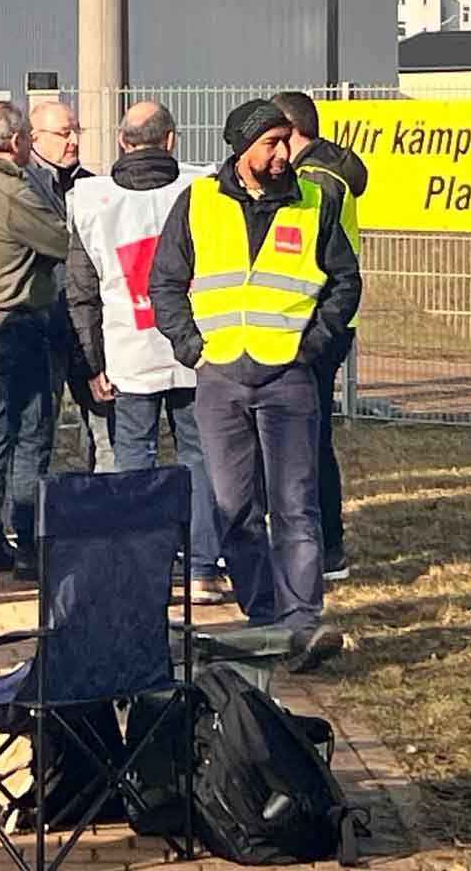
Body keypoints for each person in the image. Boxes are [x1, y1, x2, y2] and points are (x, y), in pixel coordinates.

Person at [149, 100, 360, 672]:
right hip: (219, 379)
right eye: (270, 143)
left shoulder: (316, 200)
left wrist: (312, 345)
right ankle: (264, 616)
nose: (283, 154)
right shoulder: (198, 202)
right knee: (234, 507)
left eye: (286, 142)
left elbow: (345, 281)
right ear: (241, 149)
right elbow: (165, 281)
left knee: (296, 505)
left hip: (289, 377)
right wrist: (191, 348)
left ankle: (300, 623)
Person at [63, 101, 227, 603]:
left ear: (121, 142)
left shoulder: (90, 199)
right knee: (200, 455)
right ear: (172, 141)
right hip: (196, 346)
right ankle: (202, 568)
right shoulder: (203, 188)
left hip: (127, 350)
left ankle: (140, 566)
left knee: (134, 455)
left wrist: (91, 363)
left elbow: (81, 290)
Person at [0, 101, 68, 580]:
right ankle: (27, 543)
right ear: (19, 140)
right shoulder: (12, 193)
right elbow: (63, 241)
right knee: (30, 437)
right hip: (17, 323)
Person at [272, 90, 366, 582]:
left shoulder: (314, 182)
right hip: (326, 321)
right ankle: (324, 544)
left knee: (308, 440)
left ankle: (325, 545)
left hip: (313, 323)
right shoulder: (333, 170)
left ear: (292, 132)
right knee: (311, 435)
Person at [25, 100, 115, 472]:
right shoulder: (23, 188)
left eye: (75, 131)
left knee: (106, 430)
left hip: (89, 324)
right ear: (35, 138)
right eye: (63, 134)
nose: (73, 141)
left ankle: (112, 518)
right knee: (37, 435)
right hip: (42, 324)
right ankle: (35, 523)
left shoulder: (93, 186)